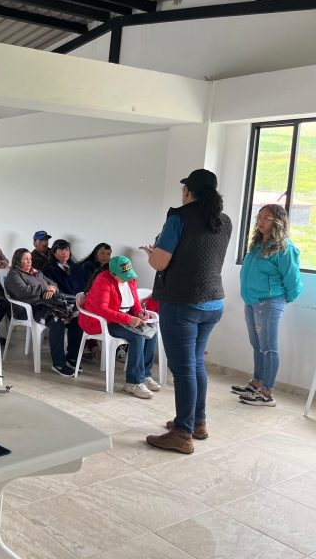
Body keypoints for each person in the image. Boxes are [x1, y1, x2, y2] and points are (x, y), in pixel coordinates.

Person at [142, 168, 232, 455]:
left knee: (183, 370)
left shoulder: (178, 218)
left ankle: (182, 433)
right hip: (213, 302)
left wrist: (152, 254)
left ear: (187, 191)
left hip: (183, 303)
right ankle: (197, 422)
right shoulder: (224, 221)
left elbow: (160, 263)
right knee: (195, 364)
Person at [233, 204, 302, 406]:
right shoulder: (257, 244)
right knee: (257, 344)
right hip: (252, 301)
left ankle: (266, 393)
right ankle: (257, 382)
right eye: (259, 216)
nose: (260, 221)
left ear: (278, 222)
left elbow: (293, 280)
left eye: (266, 218)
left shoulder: (285, 248)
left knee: (269, 347)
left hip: (269, 302)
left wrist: (280, 300)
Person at [79, 257, 159, 398]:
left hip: (120, 319)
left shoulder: (130, 279)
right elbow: (102, 310)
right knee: (138, 337)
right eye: (123, 276)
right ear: (112, 273)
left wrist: (139, 313)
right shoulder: (103, 281)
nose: (127, 279)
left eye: (128, 275)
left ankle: (145, 375)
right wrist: (129, 319)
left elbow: (135, 303)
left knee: (152, 333)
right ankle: (133, 383)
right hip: (101, 321)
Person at [5, 248, 82, 377]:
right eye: (25, 259)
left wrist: (51, 289)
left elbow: (53, 284)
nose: (29, 261)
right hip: (30, 309)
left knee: (77, 319)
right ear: (17, 260)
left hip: (47, 305)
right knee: (57, 321)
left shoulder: (36, 272)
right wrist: (45, 288)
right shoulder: (14, 275)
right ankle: (58, 364)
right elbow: (23, 291)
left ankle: (71, 358)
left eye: (30, 258)